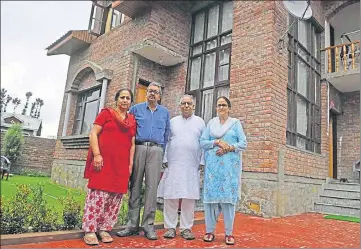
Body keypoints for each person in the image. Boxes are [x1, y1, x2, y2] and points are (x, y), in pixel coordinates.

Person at [82, 89, 136, 245]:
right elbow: (93, 133)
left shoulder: (132, 120)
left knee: (115, 198)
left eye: (128, 98)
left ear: (130, 102)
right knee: (98, 196)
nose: (125, 100)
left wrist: (130, 164)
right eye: (122, 97)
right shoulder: (106, 113)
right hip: (104, 162)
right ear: (116, 99)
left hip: (121, 165)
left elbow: (132, 144)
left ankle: (104, 229)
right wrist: (97, 155)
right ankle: (90, 230)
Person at [117, 82, 170, 240]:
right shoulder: (135, 109)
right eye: (150, 91)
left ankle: (148, 226)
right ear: (146, 93)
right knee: (135, 186)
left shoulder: (165, 113)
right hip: (139, 148)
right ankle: (132, 225)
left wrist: (162, 151)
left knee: (152, 189)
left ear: (159, 96)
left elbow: (167, 134)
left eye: (155, 92)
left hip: (156, 150)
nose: (152, 94)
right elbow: (127, 129)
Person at [199, 96, 247, 245]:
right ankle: (209, 231)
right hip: (213, 170)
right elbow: (202, 142)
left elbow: (243, 143)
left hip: (229, 170)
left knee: (228, 202)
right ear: (216, 108)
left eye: (224, 105)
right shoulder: (211, 124)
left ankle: (228, 233)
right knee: (211, 202)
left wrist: (229, 148)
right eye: (219, 105)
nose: (221, 107)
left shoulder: (235, 123)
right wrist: (216, 142)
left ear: (229, 108)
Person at [157, 95, 205, 240]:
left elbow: (204, 143)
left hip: (192, 165)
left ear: (193, 106)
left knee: (189, 197)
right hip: (173, 163)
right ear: (180, 106)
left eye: (188, 103)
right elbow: (166, 141)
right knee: (171, 195)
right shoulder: (172, 122)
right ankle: (170, 227)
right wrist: (165, 159)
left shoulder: (200, 122)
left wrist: (202, 161)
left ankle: (186, 228)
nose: (186, 106)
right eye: (183, 103)